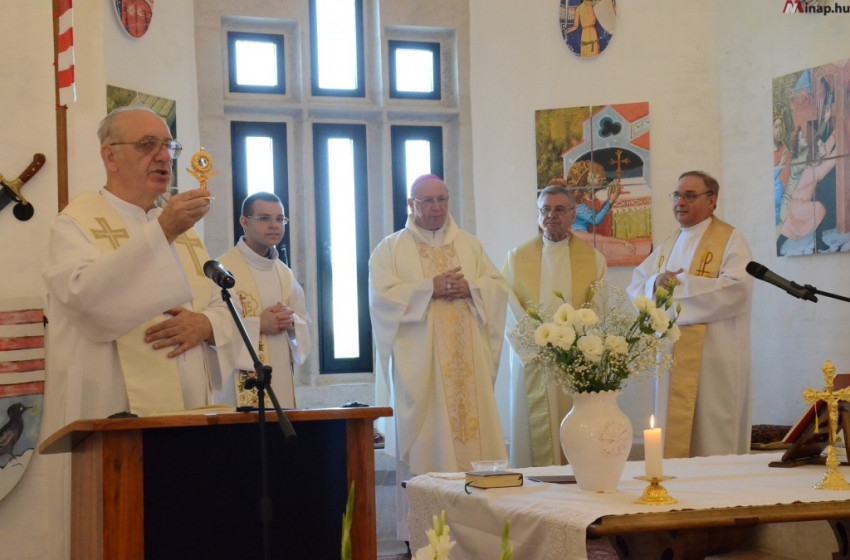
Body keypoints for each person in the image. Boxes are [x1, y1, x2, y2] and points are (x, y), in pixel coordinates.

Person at [41, 105, 246, 557]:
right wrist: (162, 231)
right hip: (114, 411)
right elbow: (88, 303)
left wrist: (206, 325)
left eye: (168, 145)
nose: (163, 156)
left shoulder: (184, 232)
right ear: (110, 156)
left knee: (183, 531)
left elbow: (221, 302)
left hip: (188, 416)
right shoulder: (76, 224)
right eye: (148, 145)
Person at [369, 174, 508, 539]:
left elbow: (497, 287)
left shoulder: (470, 245)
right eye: (427, 201)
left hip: (468, 371)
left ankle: (479, 535)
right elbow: (381, 299)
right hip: (422, 373)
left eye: (442, 199)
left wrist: (472, 288)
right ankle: (422, 536)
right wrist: (427, 288)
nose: (436, 208)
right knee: (428, 448)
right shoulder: (390, 249)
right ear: (410, 205)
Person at [627, 171, 753, 458]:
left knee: (712, 430)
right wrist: (655, 283)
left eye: (689, 196)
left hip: (714, 358)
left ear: (712, 201)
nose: (680, 202)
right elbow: (637, 283)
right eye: (677, 195)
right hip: (671, 357)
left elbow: (739, 288)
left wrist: (678, 287)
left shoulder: (730, 239)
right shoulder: (669, 244)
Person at [502, 179, 607, 467]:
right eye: (545, 209)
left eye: (560, 209)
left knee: (574, 424)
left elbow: (597, 307)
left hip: (573, 360)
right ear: (538, 215)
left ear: (573, 215)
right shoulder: (516, 258)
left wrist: (577, 346)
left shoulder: (593, 259)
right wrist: (536, 343)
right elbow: (507, 304)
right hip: (532, 359)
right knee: (531, 428)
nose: (552, 215)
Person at [215, 192, 311, 409]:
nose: (274, 225)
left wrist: (291, 321)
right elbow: (213, 330)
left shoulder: (284, 274)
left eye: (280, 219)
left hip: (280, 379)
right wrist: (259, 324)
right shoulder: (222, 271)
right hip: (237, 387)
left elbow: (302, 321)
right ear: (244, 222)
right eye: (265, 218)